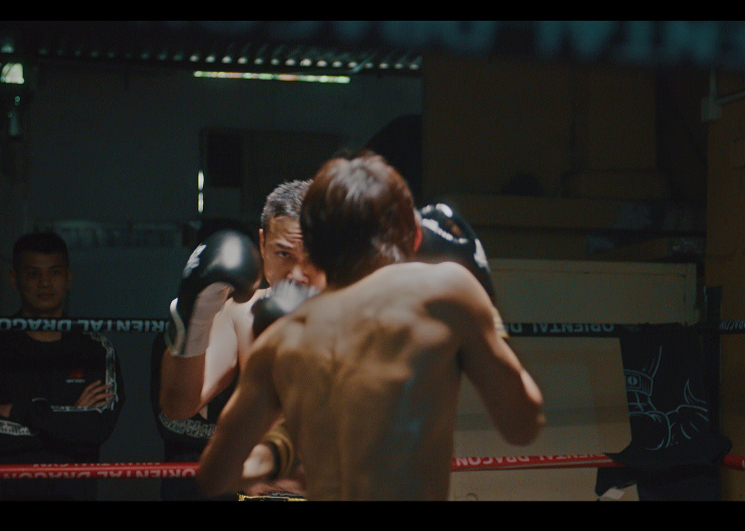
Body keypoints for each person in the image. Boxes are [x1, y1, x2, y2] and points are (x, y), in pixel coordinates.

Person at [197, 151, 544, 500]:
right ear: (414, 237)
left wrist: (276, 451)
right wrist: (486, 305)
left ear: (313, 245)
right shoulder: (445, 291)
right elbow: (523, 426)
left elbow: (214, 477)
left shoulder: (282, 336)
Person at [154, 181, 318, 500]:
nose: (297, 273)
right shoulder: (242, 313)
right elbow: (177, 406)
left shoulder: (360, 315)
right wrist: (195, 317)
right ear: (262, 243)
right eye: (284, 254)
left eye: (312, 256)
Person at [0, 231, 124, 500]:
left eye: (54, 272)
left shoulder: (96, 348)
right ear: (14, 279)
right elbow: (80, 429)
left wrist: (15, 411)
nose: (44, 283)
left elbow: (95, 428)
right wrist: (71, 417)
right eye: (32, 273)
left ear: (68, 278)